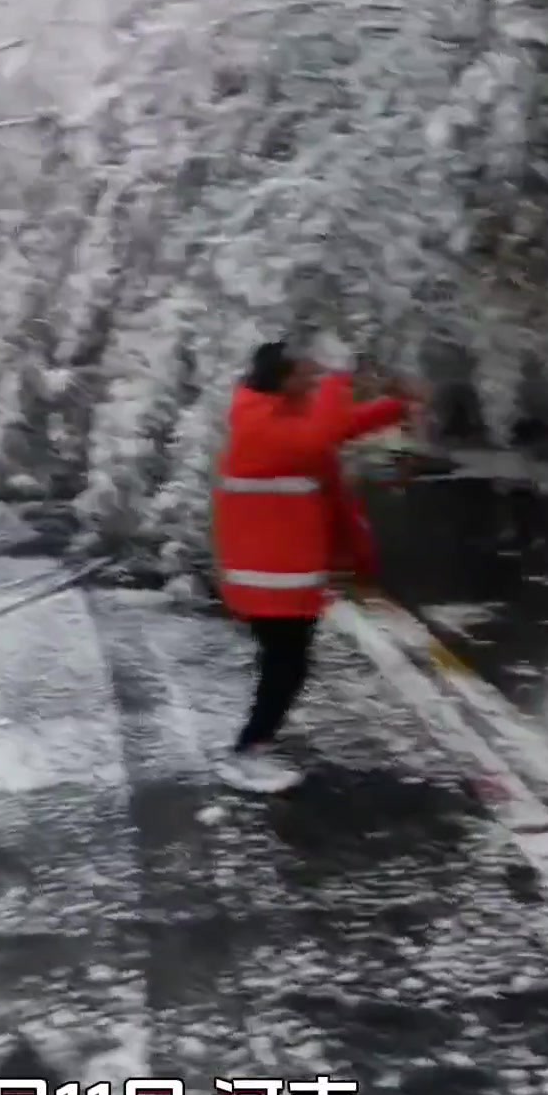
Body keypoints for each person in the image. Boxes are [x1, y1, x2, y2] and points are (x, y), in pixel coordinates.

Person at [212, 337, 413, 793]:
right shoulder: (260, 426)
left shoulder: (274, 416)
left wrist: (395, 408)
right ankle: (247, 750)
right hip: (270, 579)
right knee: (286, 667)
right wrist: (340, 378)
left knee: (285, 665)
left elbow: (335, 428)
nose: (313, 381)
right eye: (306, 373)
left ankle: (254, 744)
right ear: (282, 379)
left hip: (280, 576)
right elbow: (322, 433)